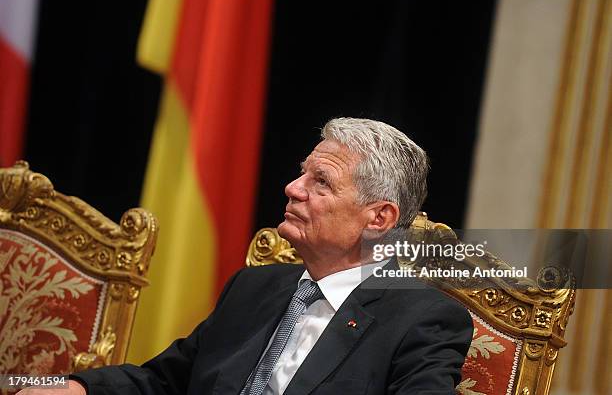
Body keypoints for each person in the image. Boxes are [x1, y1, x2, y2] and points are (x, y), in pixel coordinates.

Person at [21, 118, 473, 394]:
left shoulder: (421, 320)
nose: (293, 189)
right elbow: (166, 381)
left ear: (378, 219)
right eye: (302, 174)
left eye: (321, 182)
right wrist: (72, 386)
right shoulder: (255, 286)